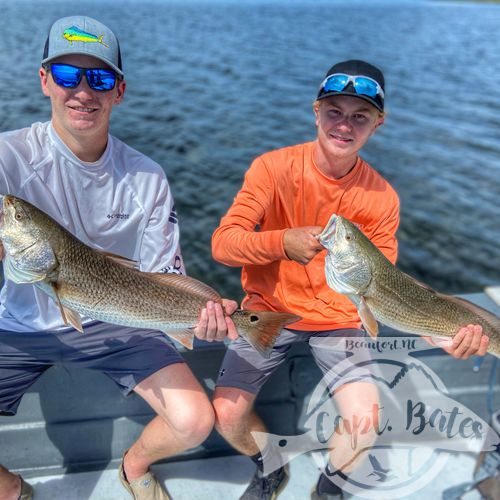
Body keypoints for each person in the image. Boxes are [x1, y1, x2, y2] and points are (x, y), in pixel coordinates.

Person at [211, 59, 490, 500]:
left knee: (365, 421)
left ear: (377, 125)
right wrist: (281, 242)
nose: (345, 124)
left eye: (360, 116)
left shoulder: (383, 197)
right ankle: (269, 466)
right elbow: (223, 244)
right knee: (226, 413)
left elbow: (387, 289)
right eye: (334, 111)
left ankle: (329, 487)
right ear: (315, 111)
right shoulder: (271, 168)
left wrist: (441, 334)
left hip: (341, 319)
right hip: (266, 309)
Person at [0, 16, 237, 500]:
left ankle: (135, 466)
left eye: (100, 78)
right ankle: (12, 489)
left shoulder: (147, 177)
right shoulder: (8, 159)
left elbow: (166, 277)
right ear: (44, 80)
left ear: (119, 91)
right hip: (15, 325)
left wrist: (202, 315)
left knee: (195, 421)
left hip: (117, 319)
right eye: (67, 75)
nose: (83, 92)